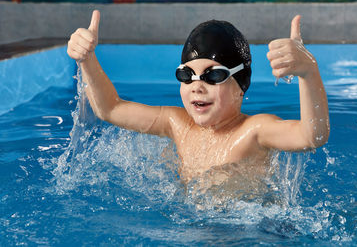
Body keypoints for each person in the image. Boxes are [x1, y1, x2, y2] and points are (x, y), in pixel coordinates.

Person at [67, 10, 329, 183]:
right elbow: (110, 109)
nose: (197, 85)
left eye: (213, 76)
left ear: (241, 85)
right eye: (186, 75)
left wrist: (308, 71)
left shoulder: (254, 131)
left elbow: (311, 136)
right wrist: (87, 60)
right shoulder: (177, 124)